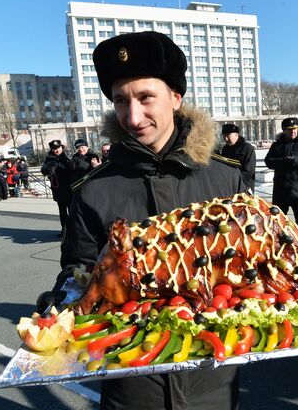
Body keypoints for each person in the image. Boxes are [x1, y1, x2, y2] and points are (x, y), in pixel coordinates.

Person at [56, 31, 245, 410]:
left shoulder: (226, 178)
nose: (133, 116)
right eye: (121, 101)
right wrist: (59, 304)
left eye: (146, 98)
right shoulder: (94, 189)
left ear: (175, 97)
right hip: (130, 381)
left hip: (214, 376)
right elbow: (76, 269)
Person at [264, 117, 298, 232]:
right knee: (278, 221)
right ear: (284, 130)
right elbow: (268, 161)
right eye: (289, 129)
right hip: (281, 189)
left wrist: (295, 160)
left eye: (295, 129)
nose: (293, 131)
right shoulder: (277, 145)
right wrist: (283, 161)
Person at [41, 140, 73, 236]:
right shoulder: (49, 159)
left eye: (58, 148)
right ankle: (65, 230)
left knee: (72, 211)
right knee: (62, 212)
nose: (57, 150)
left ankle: (74, 230)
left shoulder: (68, 156)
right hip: (58, 189)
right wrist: (49, 169)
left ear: (62, 147)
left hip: (70, 188)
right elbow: (43, 170)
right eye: (55, 149)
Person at [220, 123, 257, 192]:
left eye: (228, 136)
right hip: (229, 186)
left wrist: (235, 180)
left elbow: (248, 171)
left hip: (244, 186)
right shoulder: (225, 149)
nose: (226, 139)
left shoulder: (247, 148)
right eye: (224, 136)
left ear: (236, 134)